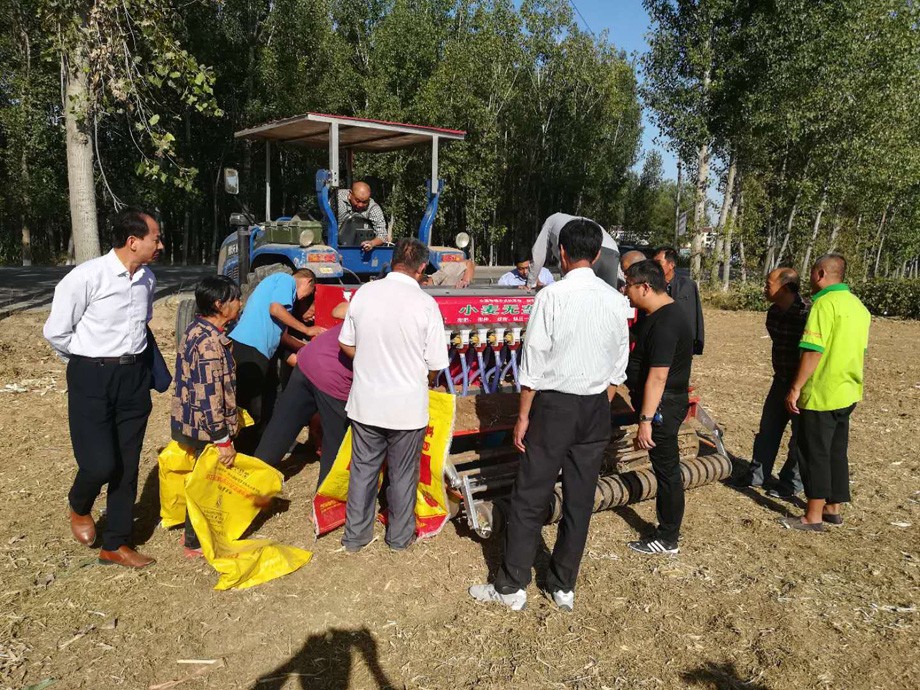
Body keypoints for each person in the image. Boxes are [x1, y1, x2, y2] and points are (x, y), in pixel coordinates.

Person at [468, 218, 631, 612]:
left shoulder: (551, 297)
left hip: (554, 407)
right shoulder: (616, 301)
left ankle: (511, 586)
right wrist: (598, 402)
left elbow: (533, 363)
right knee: (580, 499)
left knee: (530, 496)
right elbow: (618, 366)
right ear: (597, 255)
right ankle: (563, 585)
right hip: (596, 408)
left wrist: (524, 416)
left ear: (561, 253)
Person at [43, 208, 164, 568]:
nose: (160, 245)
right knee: (99, 464)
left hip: (134, 377)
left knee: (127, 464)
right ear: (133, 241)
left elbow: (142, 324)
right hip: (91, 376)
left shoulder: (147, 280)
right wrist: (87, 361)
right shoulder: (86, 277)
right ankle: (79, 503)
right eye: (156, 238)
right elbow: (56, 332)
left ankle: (116, 543)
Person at [338, 238, 449, 552]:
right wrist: (423, 379)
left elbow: (346, 342)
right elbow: (436, 364)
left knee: (363, 471)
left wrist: (368, 360)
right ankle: (399, 539)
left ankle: (355, 537)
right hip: (406, 409)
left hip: (366, 403)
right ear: (422, 267)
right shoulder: (426, 305)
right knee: (402, 475)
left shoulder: (365, 294)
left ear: (393, 259)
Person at [782, 254, 870, 531]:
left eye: (811, 272)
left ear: (820, 274)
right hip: (847, 390)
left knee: (814, 452)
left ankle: (813, 516)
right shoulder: (857, 306)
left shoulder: (823, 305)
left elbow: (813, 351)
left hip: (822, 392)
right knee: (836, 451)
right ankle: (833, 508)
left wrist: (796, 387)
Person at [622, 259, 694, 555]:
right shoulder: (657, 314)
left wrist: (646, 420)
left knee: (667, 471)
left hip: (662, 406)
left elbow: (658, 376)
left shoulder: (667, 322)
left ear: (645, 287)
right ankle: (668, 531)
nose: (625, 291)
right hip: (661, 404)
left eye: (628, 285)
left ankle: (667, 537)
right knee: (665, 468)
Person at [171, 276, 243, 557]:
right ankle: (194, 541)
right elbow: (209, 395)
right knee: (206, 483)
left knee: (204, 480)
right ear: (219, 304)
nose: (240, 303)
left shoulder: (197, 328)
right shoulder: (209, 344)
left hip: (192, 420)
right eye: (235, 299)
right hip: (206, 427)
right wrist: (222, 439)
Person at [256, 302, 353, 488]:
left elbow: (338, 310)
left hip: (309, 358)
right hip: (334, 375)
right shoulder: (396, 319)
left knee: (281, 427)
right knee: (336, 442)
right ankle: (326, 500)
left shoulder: (368, 299)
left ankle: (250, 484)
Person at [732, 268, 808, 495]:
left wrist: (798, 385)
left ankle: (790, 483)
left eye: (768, 284)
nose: (764, 288)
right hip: (781, 380)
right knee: (768, 429)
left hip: (804, 384)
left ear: (784, 287)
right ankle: (757, 475)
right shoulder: (773, 312)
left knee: (800, 437)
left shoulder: (808, 313)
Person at [228, 269, 323, 450]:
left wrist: (310, 349)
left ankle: (268, 446)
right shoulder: (285, 280)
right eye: (309, 293)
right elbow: (275, 309)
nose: (304, 298)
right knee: (252, 406)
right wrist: (307, 330)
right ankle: (245, 451)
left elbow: (284, 337)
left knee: (272, 398)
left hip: (261, 353)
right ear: (308, 282)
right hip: (249, 348)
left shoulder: (284, 299)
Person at [529, 213, 620, 289]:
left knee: (576, 292)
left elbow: (538, 254)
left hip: (588, 249)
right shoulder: (576, 222)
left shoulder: (549, 222)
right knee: (610, 294)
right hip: (612, 250)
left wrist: (531, 283)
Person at [653, 246, 705, 355]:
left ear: (671, 265)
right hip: (657, 341)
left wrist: (695, 343)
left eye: (658, 262)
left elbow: (693, 316)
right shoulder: (651, 286)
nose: (654, 267)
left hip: (681, 344)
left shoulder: (687, 286)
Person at [337, 181, 387, 251]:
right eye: (357, 201)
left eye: (364, 202)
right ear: (350, 194)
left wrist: (372, 243)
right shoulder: (337, 198)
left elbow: (383, 235)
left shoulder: (373, 208)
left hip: (361, 247)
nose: (360, 205)